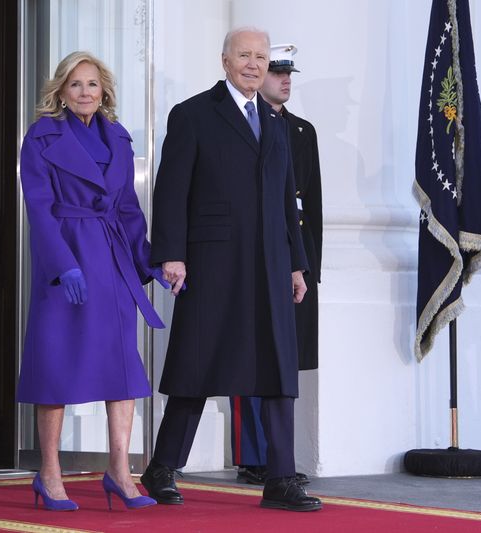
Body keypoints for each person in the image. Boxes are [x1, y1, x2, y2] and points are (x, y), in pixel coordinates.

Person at [141, 28, 322, 512]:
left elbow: (289, 202)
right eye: (245, 55)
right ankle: (161, 467)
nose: (253, 64)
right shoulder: (193, 114)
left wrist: (297, 265)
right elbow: (171, 191)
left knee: (278, 369)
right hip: (213, 261)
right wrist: (171, 254)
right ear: (224, 61)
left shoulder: (277, 123)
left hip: (271, 262)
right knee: (197, 365)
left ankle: (280, 478)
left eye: (261, 57)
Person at [17, 51, 166, 512]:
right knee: (56, 368)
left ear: (105, 92)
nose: (85, 92)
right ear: (61, 91)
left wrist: (148, 263)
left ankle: (120, 473)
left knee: (122, 371)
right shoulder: (40, 137)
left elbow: (128, 209)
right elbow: (38, 208)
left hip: (112, 261)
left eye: (93, 85)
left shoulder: (119, 137)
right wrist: (64, 265)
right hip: (66, 261)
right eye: (76, 84)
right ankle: (49, 474)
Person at [229, 43, 323, 487]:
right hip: (252, 252)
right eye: (276, 72)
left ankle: (279, 457)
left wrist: (310, 267)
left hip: (291, 255)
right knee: (250, 352)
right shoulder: (241, 123)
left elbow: (311, 207)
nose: (284, 80)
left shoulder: (302, 131)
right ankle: (254, 455)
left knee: (283, 359)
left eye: (288, 73)